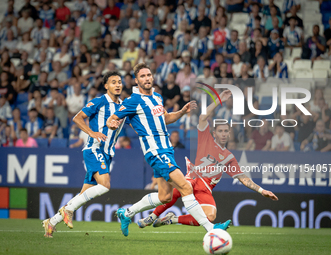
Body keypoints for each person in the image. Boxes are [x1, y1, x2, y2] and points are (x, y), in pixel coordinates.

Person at [106, 63, 232, 237]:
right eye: (142, 76)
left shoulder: (157, 97)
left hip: (167, 150)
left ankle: (126, 214)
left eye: (148, 75)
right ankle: (211, 230)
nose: (147, 78)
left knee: (164, 196)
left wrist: (181, 112)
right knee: (186, 187)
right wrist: (111, 124)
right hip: (155, 151)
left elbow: (164, 118)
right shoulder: (132, 100)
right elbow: (113, 118)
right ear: (136, 81)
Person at [138, 90, 278, 228]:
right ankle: (153, 216)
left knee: (210, 217)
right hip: (194, 177)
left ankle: (172, 219)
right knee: (177, 190)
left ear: (229, 134)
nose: (223, 134)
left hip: (205, 189)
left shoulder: (229, 157)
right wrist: (219, 100)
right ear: (214, 133)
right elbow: (203, 117)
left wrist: (261, 190)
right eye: (220, 131)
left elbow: (243, 177)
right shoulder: (206, 139)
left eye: (226, 131)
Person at [42, 71, 128, 238]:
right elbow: (77, 118)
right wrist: (92, 132)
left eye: (119, 82)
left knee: (82, 196)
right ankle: (68, 209)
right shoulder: (99, 101)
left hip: (108, 153)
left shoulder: (123, 106)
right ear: (106, 86)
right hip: (94, 149)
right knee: (105, 185)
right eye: (113, 82)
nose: (117, 85)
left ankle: (51, 223)